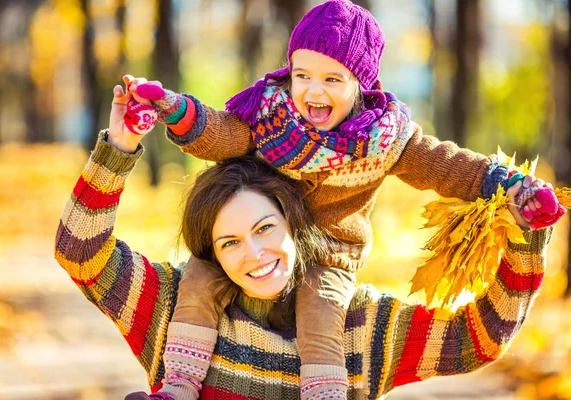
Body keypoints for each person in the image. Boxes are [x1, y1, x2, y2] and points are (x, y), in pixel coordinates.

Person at [124, 0, 565, 398]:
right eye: (302, 76)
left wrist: (514, 188)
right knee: (199, 279)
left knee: (321, 316)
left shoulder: (385, 138)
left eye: (332, 79)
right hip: (259, 235)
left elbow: (448, 165)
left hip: (330, 256)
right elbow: (223, 134)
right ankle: (178, 386)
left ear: (361, 82)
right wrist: (173, 107)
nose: (313, 92)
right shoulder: (270, 115)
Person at [54, 80, 556, 400]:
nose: (253, 254)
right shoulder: (172, 305)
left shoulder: (359, 330)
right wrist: (119, 147)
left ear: (294, 222)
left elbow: (479, 339)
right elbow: (80, 251)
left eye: (264, 229)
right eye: (228, 243)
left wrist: (524, 237)